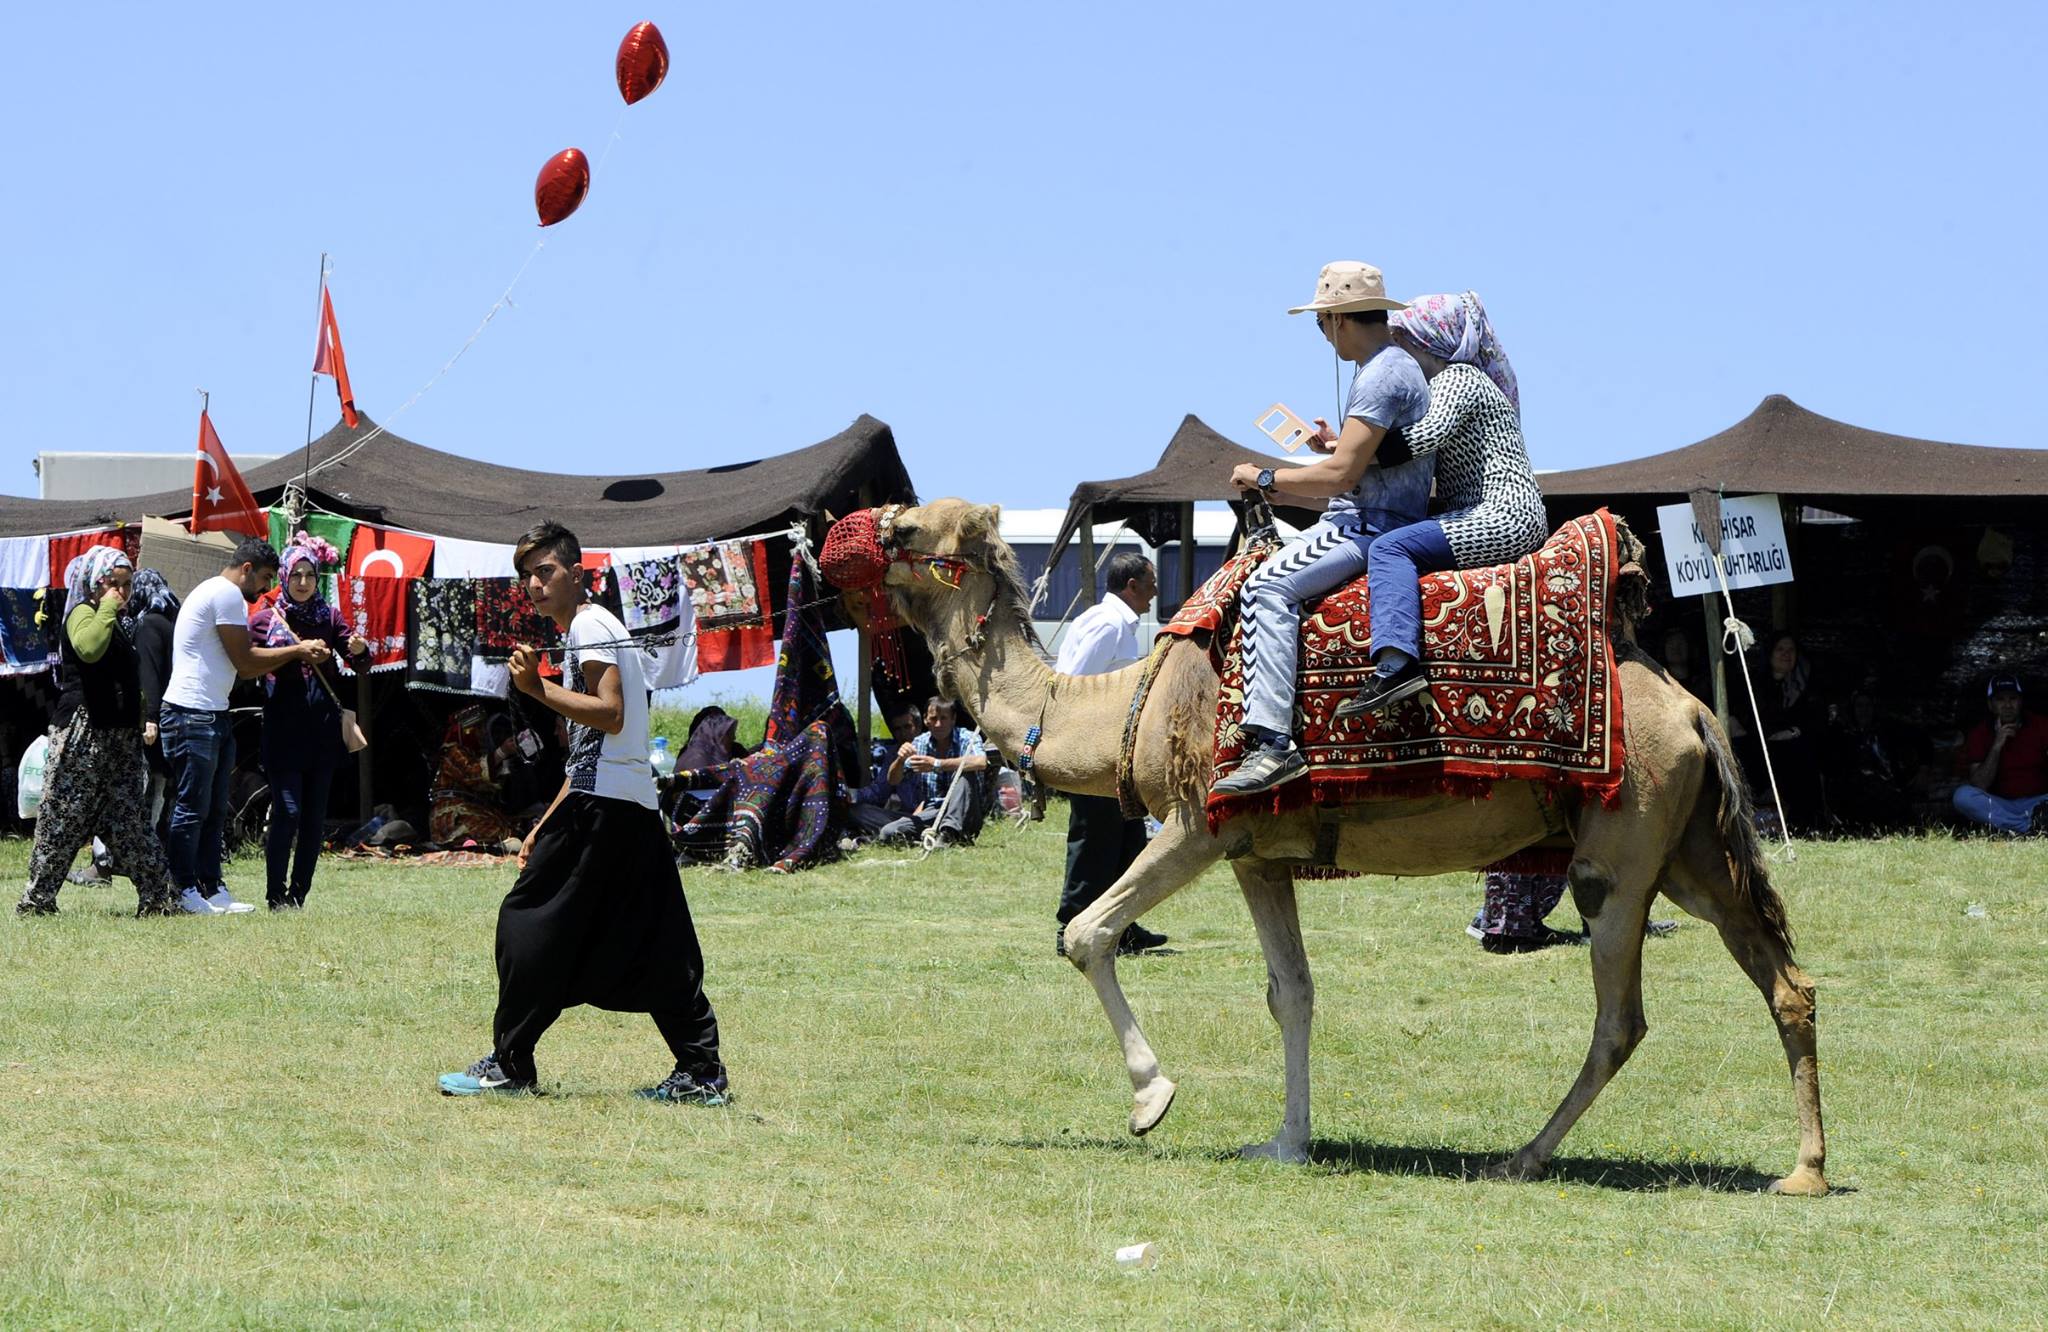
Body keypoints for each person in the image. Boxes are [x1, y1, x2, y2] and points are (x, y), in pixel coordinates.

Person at [439, 520, 727, 1104]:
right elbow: (593, 755)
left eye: (545, 572)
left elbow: (611, 713)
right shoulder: (588, 630)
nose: (535, 585)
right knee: (659, 943)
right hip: (625, 809)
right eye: (527, 576)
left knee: (526, 924)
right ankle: (702, 1073)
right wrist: (542, 828)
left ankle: (511, 1063)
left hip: (605, 815)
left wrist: (536, 689)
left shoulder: (592, 624)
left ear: (577, 571)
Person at [1215, 260, 1435, 795]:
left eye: (1320, 322)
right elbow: (1357, 462)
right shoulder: (1393, 367)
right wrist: (1332, 448)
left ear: (1338, 319)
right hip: (1367, 515)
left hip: (1368, 525)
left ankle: (1271, 746)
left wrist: (1265, 475)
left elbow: (1342, 476)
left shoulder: (1381, 375)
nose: (1322, 334)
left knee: (1264, 586)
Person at [1333, 289, 1549, 720]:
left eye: (1403, 338)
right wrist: (1344, 448)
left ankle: (1395, 665)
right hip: (1487, 513)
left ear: (1426, 341)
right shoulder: (1456, 384)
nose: (1396, 346)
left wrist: (1350, 455)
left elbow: (1421, 440)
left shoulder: (1458, 380)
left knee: (1389, 548)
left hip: (1502, 515)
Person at [160, 538, 326, 915]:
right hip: (192, 713)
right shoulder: (228, 595)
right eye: (266, 578)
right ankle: (182, 888)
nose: (266, 589)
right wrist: (298, 650)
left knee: (216, 808)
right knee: (192, 808)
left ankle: (211, 887)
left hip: (211, 712)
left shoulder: (213, 591)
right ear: (247, 569)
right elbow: (247, 663)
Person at [14, 548, 181, 917]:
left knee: (131, 821)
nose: (120, 591)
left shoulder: (120, 623)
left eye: (125, 584)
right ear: (93, 582)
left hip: (119, 738)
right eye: (111, 583)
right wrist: (106, 606)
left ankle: (160, 899)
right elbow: (89, 650)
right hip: (83, 736)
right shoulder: (82, 614)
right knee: (64, 820)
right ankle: (37, 902)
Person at [1053, 551, 1168, 957]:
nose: (1156, 591)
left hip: (1112, 749)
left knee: (1127, 839)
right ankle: (1071, 927)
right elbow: (1075, 683)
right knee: (1095, 838)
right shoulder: (1108, 623)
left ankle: (1122, 925)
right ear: (1132, 585)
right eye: (1150, 583)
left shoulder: (1109, 620)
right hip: (1094, 746)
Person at [248, 538, 368, 909]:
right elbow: (248, 663)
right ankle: (274, 893)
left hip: (322, 729)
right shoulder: (265, 619)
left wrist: (360, 650)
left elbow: (359, 661)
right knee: (288, 810)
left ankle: (298, 895)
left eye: (310, 575)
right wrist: (292, 653)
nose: (302, 582)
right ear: (283, 576)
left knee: (314, 819)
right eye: (296, 574)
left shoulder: (329, 616)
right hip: (283, 728)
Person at [1741, 633, 1828, 832]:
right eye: (1781, 649)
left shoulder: (1804, 684)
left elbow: (1814, 719)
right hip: (1760, 747)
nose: (1786, 654)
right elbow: (1748, 719)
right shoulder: (1755, 683)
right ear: (1770, 654)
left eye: (1791, 650)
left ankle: (1803, 823)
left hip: (1795, 747)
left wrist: (1793, 731)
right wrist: (1773, 734)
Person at [877, 697, 987, 844]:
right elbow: (893, 780)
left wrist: (937, 764)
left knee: (963, 771)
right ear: (925, 720)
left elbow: (981, 762)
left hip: (967, 812)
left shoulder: (967, 737)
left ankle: (949, 833)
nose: (939, 724)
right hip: (933, 812)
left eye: (944, 718)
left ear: (953, 719)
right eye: (934, 719)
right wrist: (900, 760)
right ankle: (936, 838)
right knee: (888, 832)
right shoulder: (919, 743)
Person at [1952, 674, 2048, 834]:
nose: (2007, 705)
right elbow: (1979, 784)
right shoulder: (1980, 733)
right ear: (1990, 705)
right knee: (1962, 796)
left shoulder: (2041, 725)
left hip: (2038, 801)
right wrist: (1997, 745)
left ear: (2021, 702)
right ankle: (2026, 827)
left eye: (2013, 698)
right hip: (2000, 804)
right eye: (2000, 699)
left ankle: (2029, 824)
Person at [128, 567, 181, 833]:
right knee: (163, 785)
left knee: (147, 783)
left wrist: (149, 717)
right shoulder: (174, 623)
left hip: (155, 719)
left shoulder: (147, 625)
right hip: (176, 715)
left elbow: (149, 673)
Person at [846, 707, 924, 840]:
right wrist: (850, 795)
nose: (903, 733)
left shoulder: (929, 746)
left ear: (918, 727)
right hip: (905, 817)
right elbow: (879, 791)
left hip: (930, 814)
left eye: (907, 727)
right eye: (897, 729)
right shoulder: (893, 753)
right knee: (856, 811)